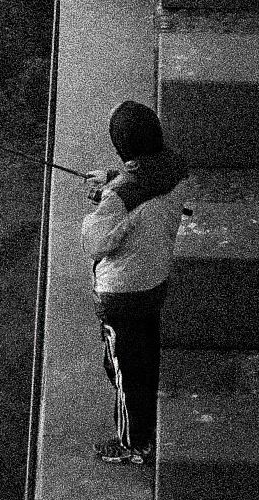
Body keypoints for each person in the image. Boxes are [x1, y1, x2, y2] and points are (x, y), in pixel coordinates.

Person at [80, 99, 190, 465]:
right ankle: (146, 404)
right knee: (146, 351)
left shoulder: (120, 200)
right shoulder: (176, 169)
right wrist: (115, 179)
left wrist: (105, 199)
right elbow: (149, 187)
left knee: (124, 371)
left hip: (121, 296)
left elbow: (95, 243)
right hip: (154, 282)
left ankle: (133, 445)